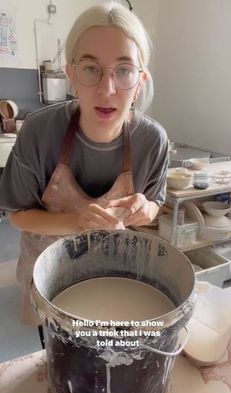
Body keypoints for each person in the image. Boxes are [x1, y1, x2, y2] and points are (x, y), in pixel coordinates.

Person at [0, 2, 169, 331]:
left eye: (123, 70)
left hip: (111, 274)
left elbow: (154, 204)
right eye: (91, 68)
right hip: (44, 271)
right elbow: (17, 214)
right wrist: (74, 221)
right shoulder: (39, 131)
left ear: (140, 80)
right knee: (51, 344)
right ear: (71, 74)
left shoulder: (153, 141)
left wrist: (145, 208)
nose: (107, 90)